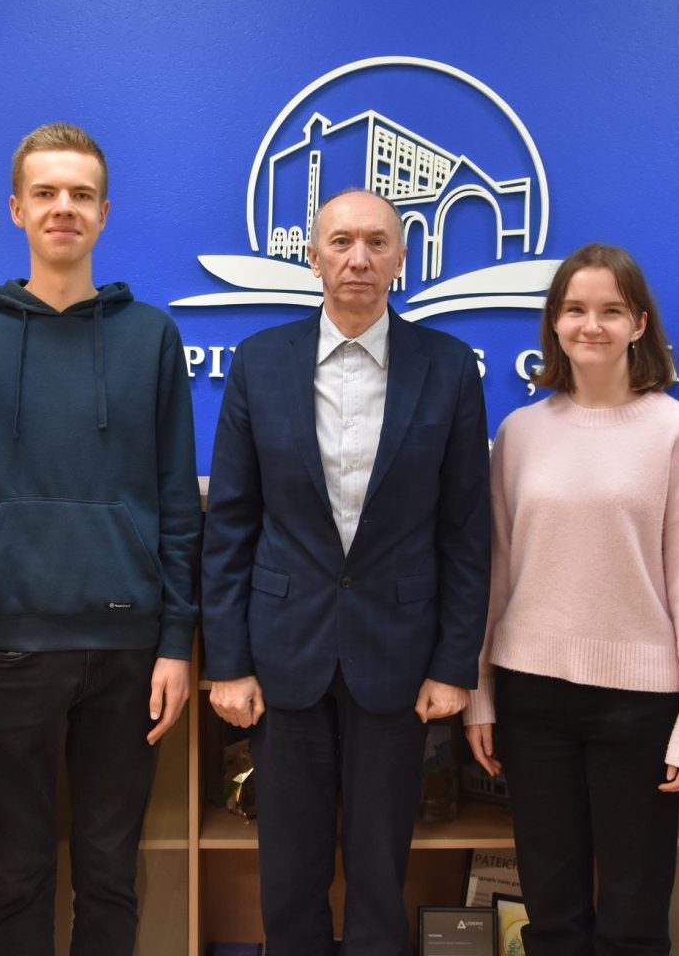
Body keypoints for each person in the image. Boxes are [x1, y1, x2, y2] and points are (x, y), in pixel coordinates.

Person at [0, 122, 201, 956]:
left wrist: (176, 643)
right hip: (5, 649)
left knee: (110, 876)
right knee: (19, 878)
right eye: (45, 193)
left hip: (128, 652)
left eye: (81, 194)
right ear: (17, 208)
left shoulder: (150, 336)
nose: (63, 208)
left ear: (105, 213)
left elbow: (176, 505)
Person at [202, 188, 491, 956]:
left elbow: (466, 532)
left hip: (399, 655)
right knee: (288, 870)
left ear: (402, 258)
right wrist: (227, 662)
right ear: (313, 256)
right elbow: (229, 524)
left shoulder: (449, 367)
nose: (358, 258)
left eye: (376, 242)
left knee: (380, 869)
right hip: (282, 651)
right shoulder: (261, 362)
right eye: (340, 242)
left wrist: (454, 665)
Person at [465, 243, 679, 955]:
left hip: (639, 707)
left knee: (634, 919)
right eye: (575, 309)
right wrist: (481, 694)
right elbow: (495, 573)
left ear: (639, 324)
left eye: (611, 310)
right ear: (554, 322)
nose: (592, 325)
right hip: (532, 699)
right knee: (552, 915)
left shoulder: (675, 431)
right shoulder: (519, 434)